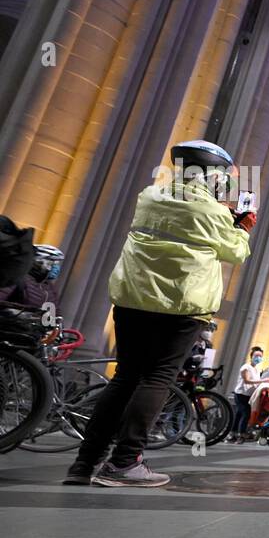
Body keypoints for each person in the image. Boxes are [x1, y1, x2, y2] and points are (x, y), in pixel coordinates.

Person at [63, 140, 253, 486]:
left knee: (125, 378)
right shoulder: (211, 211)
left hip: (132, 298)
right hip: (181, 306)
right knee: (157, 379)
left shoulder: (150, 195)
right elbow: (236, 253)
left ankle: (83, 464)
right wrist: (241, 226)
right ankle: (124, 462)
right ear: (215, 175)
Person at [0, 244, 62, 309]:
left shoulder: (50, 288)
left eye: (56, 264)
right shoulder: (16, 277)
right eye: (51, 263)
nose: (55, 267)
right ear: (38, 261)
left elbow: (55, 313)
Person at [232, 346, 269, 442]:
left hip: (248, 395)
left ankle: (233, 433)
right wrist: (263, 380)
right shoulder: (246, 367)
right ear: (251, 356)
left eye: (260, 356)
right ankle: (241, 434)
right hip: (241, 394)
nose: (258, 358)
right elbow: (247, 380)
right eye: (256, 355)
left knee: (239, 414)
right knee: (246, 414)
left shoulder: (256, 369)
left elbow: (255, 382)